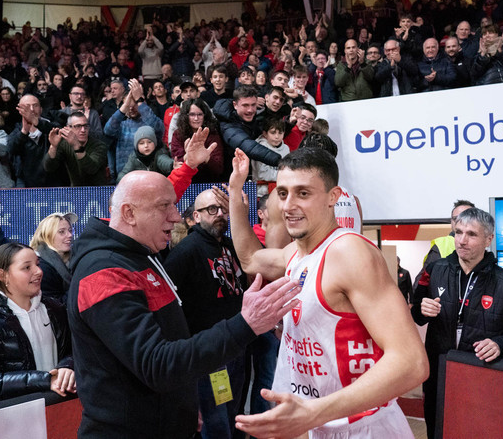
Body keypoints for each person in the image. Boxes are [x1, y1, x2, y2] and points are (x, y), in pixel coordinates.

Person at [67, 167, 301, 438]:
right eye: (165, 206)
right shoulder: (104, 274)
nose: (177, 216)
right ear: (129, 214)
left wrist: (185, 403)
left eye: (175, 205)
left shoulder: (142, 255)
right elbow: (157, 364)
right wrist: (245, 324)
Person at [227, 147, 428, 439]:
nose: (288, 205)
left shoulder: (349, 252)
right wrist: (235, 191)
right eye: (283, 193)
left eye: (303, 193)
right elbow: (249, 259)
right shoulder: (296, 253)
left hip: (360, 428)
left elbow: (412, 363)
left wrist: (314, 412)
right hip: (319, 422)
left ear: (332, 198)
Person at [411, 207, 503, 439]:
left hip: (481, 374)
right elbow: (415, 313)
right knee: (438, 428)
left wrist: (499, 345)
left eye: (471, 234)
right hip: (439, 369)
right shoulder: (435, 270)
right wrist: (422, 309)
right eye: (459, 232)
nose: (462, 241)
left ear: (488, 239)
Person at [164, 189, 249, 438]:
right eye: (212, 210)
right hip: (209, 354)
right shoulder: (186, 251)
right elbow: (169, 303)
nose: (220, 214)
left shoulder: (229, 245)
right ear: (196, 216)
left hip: (236, 346)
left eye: (223, 209)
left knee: (233, 413)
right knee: (216, 421)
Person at [0, 243, 75, 406]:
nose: (38, 272)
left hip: (59, 408)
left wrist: (67, 367)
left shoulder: (55, 309)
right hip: (15, 419)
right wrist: (43, 380)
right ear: (2, 275)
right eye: (27, 267)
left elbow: (75, 349)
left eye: (37, 265)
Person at [413, 200, 475, 289]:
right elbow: (420, 284)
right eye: (456, 218)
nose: (462, 221)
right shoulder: (441, 246)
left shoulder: (483, 242)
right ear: (452, 222)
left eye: (467, 217)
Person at [43, 111, 108, 186]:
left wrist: (76, 146)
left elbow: (91, 169)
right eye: (78, 126)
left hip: (98, 191)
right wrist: (53, 147)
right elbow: (49, 167)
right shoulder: (64, 145)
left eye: (85, 126)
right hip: (75, 191)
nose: (83, 130)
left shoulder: (99, 145)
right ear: (68, 128)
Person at [170, 98, 224, 182]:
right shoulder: (178, 134)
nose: (196, 118)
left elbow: (218, 168)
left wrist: (206, 158)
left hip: (209, 182)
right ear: (185, 116)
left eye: (200, 114)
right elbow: (179, 164)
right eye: (192, 114)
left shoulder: (212, 134)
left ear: (205, 116)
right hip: (186, 182)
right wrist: (188, 155)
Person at [30, 213, 78, 304]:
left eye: (70, 230)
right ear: (47, 235)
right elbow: (55, 306)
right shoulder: (41, 267)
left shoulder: (73, 261)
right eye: (61, 232)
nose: (70, 235)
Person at [251, 119, 290, 196]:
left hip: (280, 191)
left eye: (280, 133)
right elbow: (263, 175)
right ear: (265, 134)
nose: (277, 137)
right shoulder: (259, 148)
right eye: (273, 133)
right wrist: (285, 175)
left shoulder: (286, 148)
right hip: (261, 193)